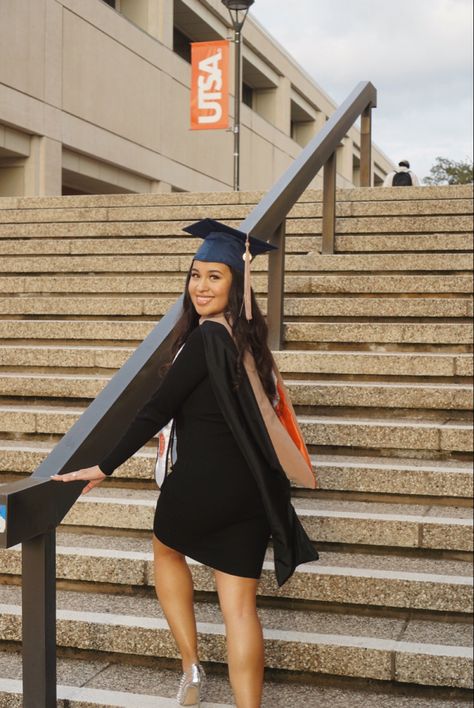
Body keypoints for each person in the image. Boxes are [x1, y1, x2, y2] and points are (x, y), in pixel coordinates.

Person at [52, 219, 318, 708]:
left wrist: (104, 466)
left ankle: (191, 666)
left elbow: (155, 409)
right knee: (240, 610)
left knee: (165, 549)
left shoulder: (204, 340)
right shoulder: (252, 343)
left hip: (199, 485)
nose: (201, 286)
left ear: (236, 285)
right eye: (196, 275)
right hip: (253, 493)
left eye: (215, 276)